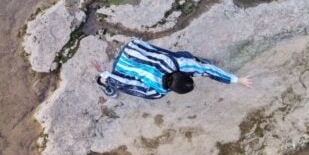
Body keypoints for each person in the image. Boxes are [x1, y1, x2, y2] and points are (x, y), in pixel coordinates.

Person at [92, 38, 253, 100]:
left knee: (186, 57)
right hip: (122, 67)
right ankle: (103, 83)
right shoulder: (155, 92)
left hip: (133, 50)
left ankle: (105, 79)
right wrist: (105, 75)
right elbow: (129, 85)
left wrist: (237, 79)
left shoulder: (179, 64)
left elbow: (207, 70)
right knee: (119, 84)